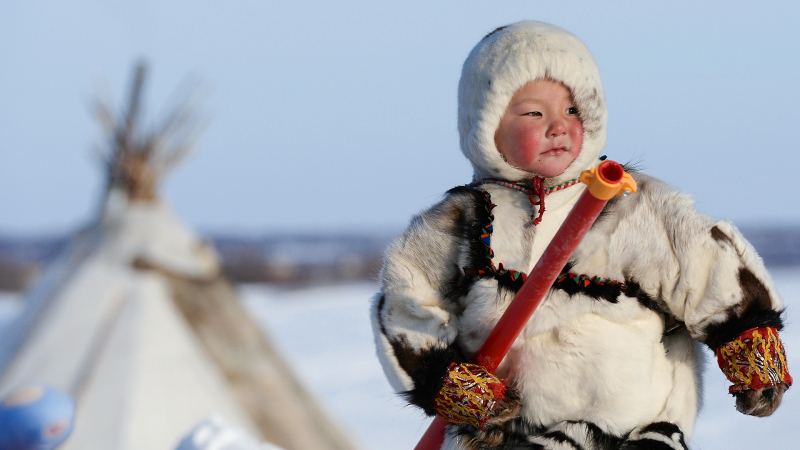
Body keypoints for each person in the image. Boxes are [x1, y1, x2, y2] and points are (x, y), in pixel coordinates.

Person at [370, 21, 792, 450]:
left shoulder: (634, 205)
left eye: (573, 110)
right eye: (535, 113)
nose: (559, 126)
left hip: (633, 429)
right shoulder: (459, 221)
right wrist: (446, 381)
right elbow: (406, 302)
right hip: (508, 433)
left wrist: (750, 346)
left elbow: (704, 266)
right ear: (485, 123)